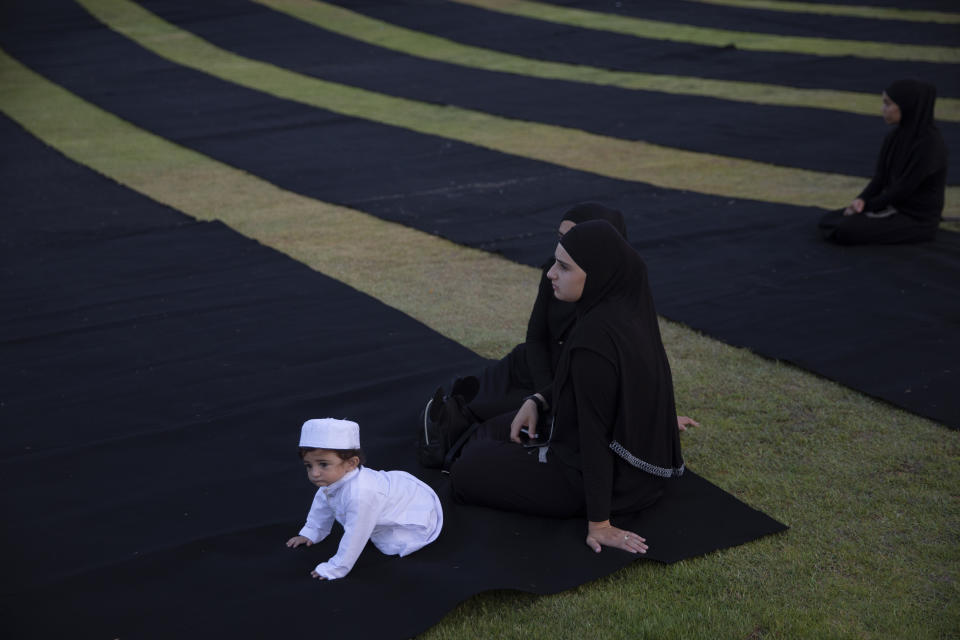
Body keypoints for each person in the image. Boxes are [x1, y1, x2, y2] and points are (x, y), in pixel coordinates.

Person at [450, 220, 685, 554]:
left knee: (467, 468)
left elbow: (594, 435)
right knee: (492, 429)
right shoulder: (625, 312)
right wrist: (539, 400)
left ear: (596, 273)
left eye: (563, 267)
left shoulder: (595, 341)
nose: (550, 274)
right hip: (638, 476)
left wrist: (599, 523)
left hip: (598, 481)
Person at [286, 418, 443, 579]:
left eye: (323, 464)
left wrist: (335, 568)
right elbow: (322, 504)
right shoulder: (331, 482)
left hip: (411, 516)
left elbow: (356, 535)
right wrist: (311, 532)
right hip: (383, 498)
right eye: (309, 465)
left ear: (351, 463)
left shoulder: (360, 495)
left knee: (388, 543)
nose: (315, 473)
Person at [819, 78, 948, 245]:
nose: (883, 109)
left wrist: (867, 207)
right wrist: (861, 200)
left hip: (917, 219)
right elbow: (880, 178)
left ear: (907, 106)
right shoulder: (894, 137)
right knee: (829, 219)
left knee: (846, 230)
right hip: (893, 206)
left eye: (888, 104)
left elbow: (903, 189)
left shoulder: (930, 145)